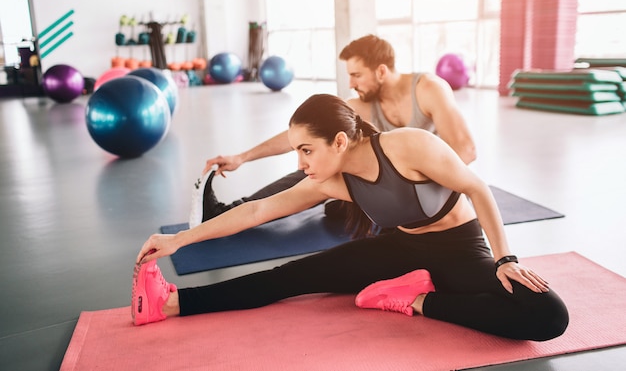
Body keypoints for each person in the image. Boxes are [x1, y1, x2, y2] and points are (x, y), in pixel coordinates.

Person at [134, 94, 568, 342]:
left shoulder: (409, 147)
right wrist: (180, 241)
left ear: (339, 140)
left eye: (306, 150)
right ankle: (173, 303)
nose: (301, 162)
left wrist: (505, 258)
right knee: (291, 276)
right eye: (297, 152)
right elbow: (258, 211)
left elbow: (477, 188)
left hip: (462, 249)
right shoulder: (328, 180)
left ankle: (415, 299)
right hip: (402, 247)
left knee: (548, 316)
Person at [189, 35, 476, 227]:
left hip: (419, 190)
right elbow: (306, 133)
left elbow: (465, 150)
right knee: (317, 165)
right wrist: (243, 157)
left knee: (334, 198)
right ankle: (227, 212)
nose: (351, 83)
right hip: (382, 180)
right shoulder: (365, 102)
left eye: (356, 74)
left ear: (380, 71)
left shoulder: (428, 89)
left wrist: (415, 194)